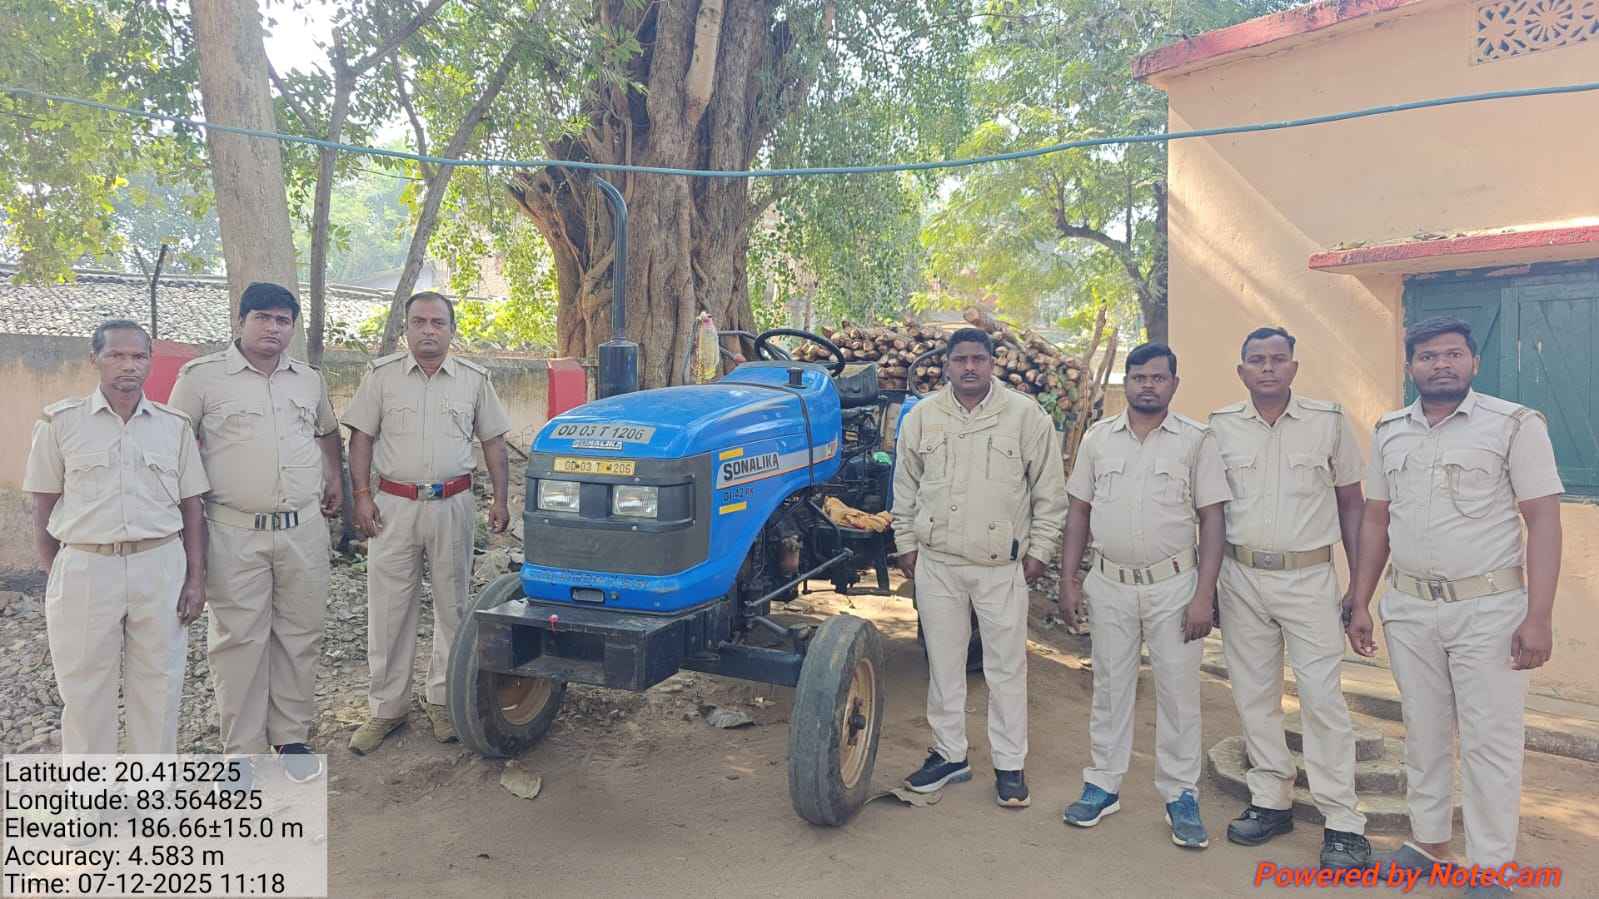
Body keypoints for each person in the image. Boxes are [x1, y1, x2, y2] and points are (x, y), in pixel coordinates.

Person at [1348, 316, 1563, 896]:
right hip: (1410, 605)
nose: (1441, 364)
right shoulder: (1390, 430)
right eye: (1427, 356)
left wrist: (1539, 615)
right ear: (1410, 366)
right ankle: (1429, 843)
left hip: (1488, 608)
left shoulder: (1514, 425)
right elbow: (1376, 520)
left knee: (1490, 739)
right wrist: (1360, 599)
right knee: (1422, 731)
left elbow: (1543, 520)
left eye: (1453, 354)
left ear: (1473, 362)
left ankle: (1493, 867)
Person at [1207, 327, 1370, 867]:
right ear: (1241, 371)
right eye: (1257, 360)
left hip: (1309, 578)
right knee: (1254, 697)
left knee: (1322, 699)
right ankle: (1270, 800)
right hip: (1240, 576)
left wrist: (1359, 589)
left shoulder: (1328, 422)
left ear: (1294, 368)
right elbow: (1208, 512)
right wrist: (1208, 586)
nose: (1268, 368)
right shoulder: (1219, 427)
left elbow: (1352, 504)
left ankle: (1342, 821)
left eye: (1279, 359)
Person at [168, 283, 343, 783]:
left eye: (283, 320)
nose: (273, 328)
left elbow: (327, 431)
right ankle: (242, 751)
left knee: (299, 633)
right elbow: (172, 446)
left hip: (302, 529)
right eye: (263, 317)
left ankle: (291, 737)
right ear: (240, 321)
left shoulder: (308, 380)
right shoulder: (201, 378)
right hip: (233, 530)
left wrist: (333, 478)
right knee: (238, 641)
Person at [1058, 342, 1230, 849]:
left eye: (1158, 377)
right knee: (1111, 688)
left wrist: (1204, 596)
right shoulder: (1098, 439)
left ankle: (1180, 795)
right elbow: (1079, 512)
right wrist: (1069, 579)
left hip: (1174, 586)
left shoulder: (1197, 440)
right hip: (1110, 583)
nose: (1147, 385)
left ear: (1174, 384)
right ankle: (1102, 784)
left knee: (1178, 694)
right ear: (1127, 382)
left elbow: (1213, 520)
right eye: (1139, 377)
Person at [891, 327, 1068, 808]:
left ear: (993, 363)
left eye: (978, 359)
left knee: (1006, 668)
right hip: (938, 564)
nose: (969, 367)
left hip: (1000, 568)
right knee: (943, 664)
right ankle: (949, 754)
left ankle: (1010, 765)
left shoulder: (1025, 416)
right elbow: (905, 487)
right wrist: (905, 543)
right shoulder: (924, 417)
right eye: (960, 359)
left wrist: (1039, 551)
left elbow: (1050, 492)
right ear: (947, 365)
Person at [23, 320, 209, 755]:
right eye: (116, 355)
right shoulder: (59, 423)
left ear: (150, 361)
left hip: (159, 564)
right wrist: (58, 573)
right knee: (85, 691)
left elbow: (192, 508)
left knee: (160, 685)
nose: (129, 365)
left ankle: (153, 788)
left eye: (139, 356)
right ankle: (91, 791)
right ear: (95, 359)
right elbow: (43, 509)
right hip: (87, 566)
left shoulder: (174, 426)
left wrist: (196, 578)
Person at [344, 292, 512, 755]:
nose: (428, 330)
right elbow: (361, 439)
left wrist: (500, 499)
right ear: (406, 328)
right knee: (389, 609)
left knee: (452, 606)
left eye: (438, 322)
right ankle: (387, 708)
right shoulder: (381, 377)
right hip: (392, 507)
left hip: (453, 505)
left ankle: (442, 699)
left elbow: (494, 443)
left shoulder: (474, 380)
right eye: (419, 321)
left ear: (452, 330)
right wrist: (361, 497)